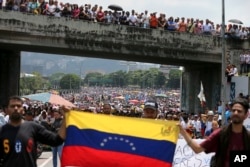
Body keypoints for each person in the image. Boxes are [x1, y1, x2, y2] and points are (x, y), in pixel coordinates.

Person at [178, 98, 250, 167]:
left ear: (246, 114)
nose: (236, 113)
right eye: (234, 110)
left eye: (239, 111)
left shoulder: (247, 137)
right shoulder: (221, 134)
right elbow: (197, 149)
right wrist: (183, 132)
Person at [0, 96, 66, 167]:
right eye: (12, 106)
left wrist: (65, 117)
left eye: (18, 106)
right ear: (6, 110)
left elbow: (57, 140)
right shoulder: (2, 131)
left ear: (23, 110)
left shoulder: (33, 127)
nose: (16, 108)